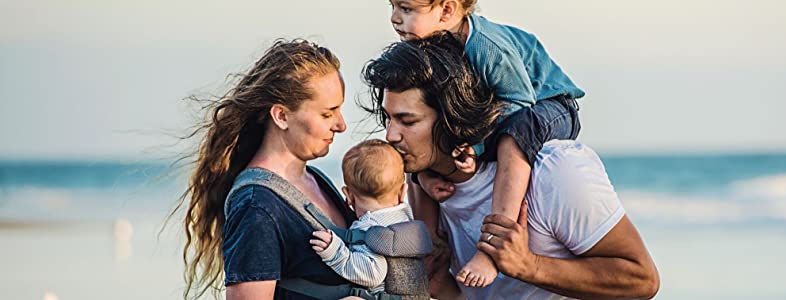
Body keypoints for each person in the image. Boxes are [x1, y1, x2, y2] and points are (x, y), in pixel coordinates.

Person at [361, 33, 660, 299]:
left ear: (453, 117)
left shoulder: (556, 172)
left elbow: (641, 279)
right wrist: (446, 291)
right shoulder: (422, 188)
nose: (390, 135)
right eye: (388, 118)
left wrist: (529, 266)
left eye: (407, 120)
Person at [387, 0, 585, 288]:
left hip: (550, 105)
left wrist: (476, 145)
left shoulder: (486, 47)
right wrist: (427, 173)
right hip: (508, 109)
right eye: (392, 7)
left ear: (446, 10)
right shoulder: (432, 45)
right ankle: (432, 245)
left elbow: (520, 103)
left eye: (406, 9)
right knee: (423, 138)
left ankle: (492, 249)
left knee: (512, 139)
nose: (394, 18)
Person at [176, 39, 358, 299]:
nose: (341, 125)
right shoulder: (257, 205)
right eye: (327, 114)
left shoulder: (316, 180)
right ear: (282, 116)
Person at [308, 139, 412, 293]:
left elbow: (372, 274)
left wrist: (336, 253)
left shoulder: (369, 228)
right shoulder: (405, 216)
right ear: (403, 191)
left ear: (348, 195)